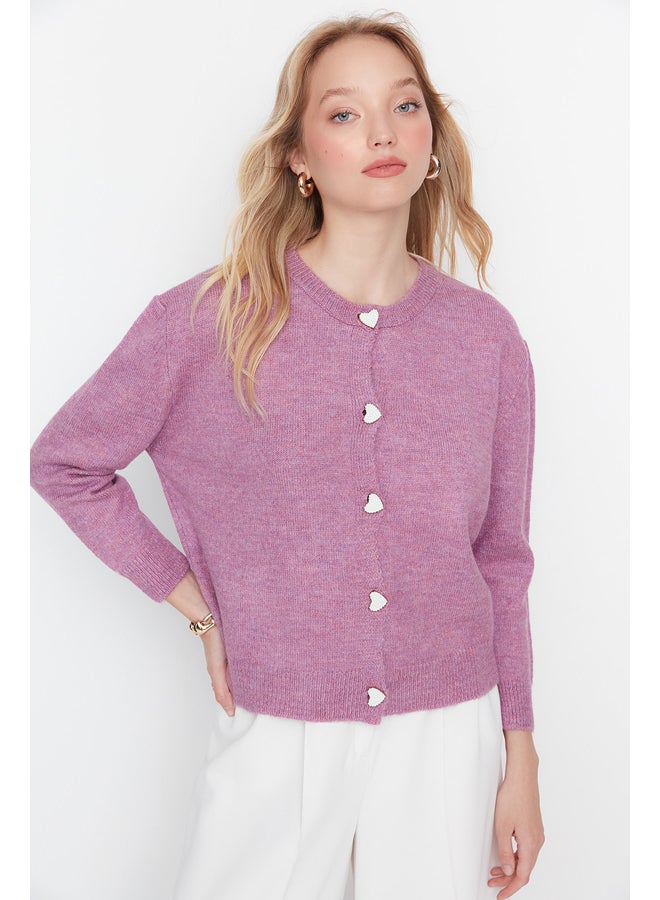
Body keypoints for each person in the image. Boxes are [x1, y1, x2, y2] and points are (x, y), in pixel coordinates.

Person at [30, 11, 545, 900]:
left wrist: (520, 754)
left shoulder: (485, 338)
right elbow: (66, 464)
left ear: (432, 139)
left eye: (406, 106)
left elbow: (501, 557)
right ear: (299, 156)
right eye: (344, 113)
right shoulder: (212, 321)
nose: (383, 133)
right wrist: (200, 613)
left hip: (448, 728)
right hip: (278, 725)